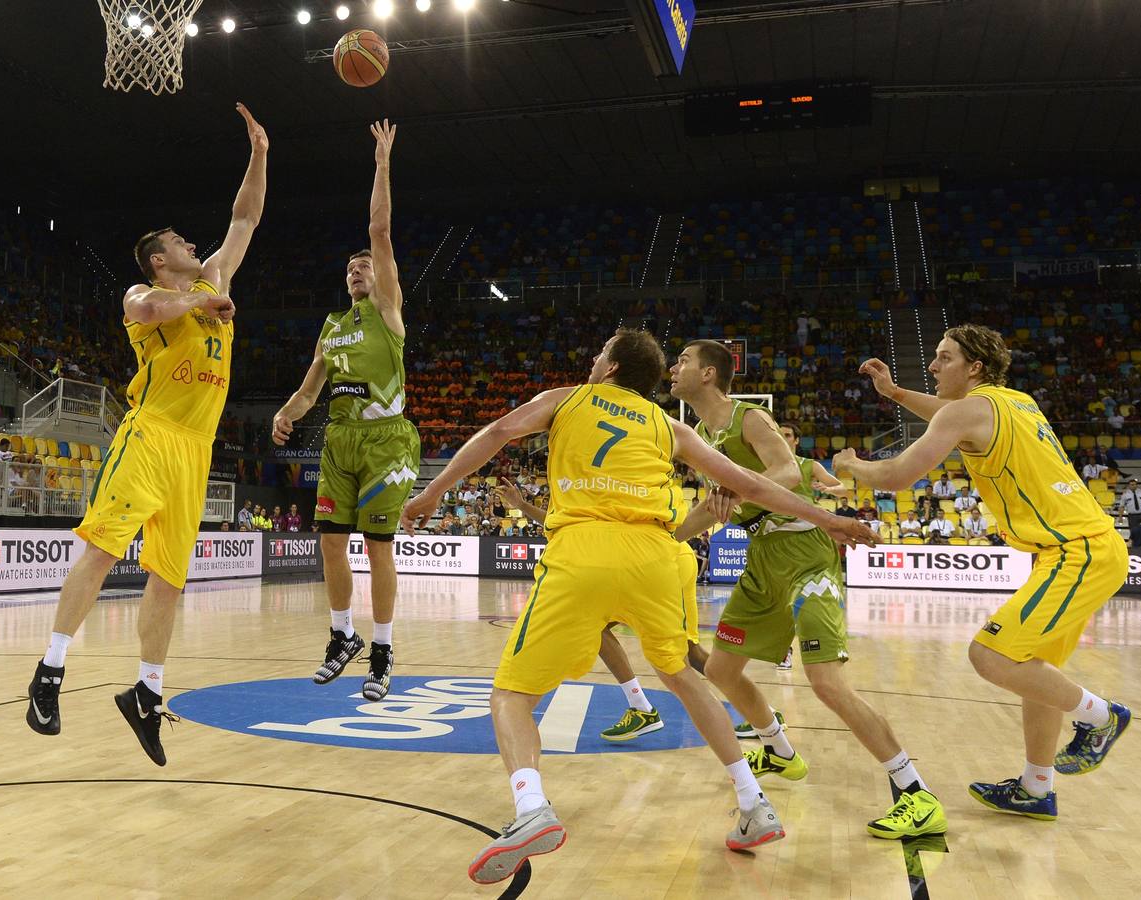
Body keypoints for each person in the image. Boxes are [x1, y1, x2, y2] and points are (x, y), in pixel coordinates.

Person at [400, 329, 877, 884]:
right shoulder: (668, 426)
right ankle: (754, 804)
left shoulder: (567, 398)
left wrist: (433, 490)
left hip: (584, 548)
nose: (593, 358)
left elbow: (500, 432)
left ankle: (531, 809)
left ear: (609, 367)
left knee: (511, 694)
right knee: (681, 674)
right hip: (656, 555)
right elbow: (751, 482)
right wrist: (832, 519)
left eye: (599, 351)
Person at [24, 103, 266, 767]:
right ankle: (49, 673)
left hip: (195, 452)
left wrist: (261, 154)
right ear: (162, 261)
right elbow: (152, 307)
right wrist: (201, 301)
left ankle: (146, 693)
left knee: (168, 578)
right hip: (151, 435)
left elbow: (243, 219)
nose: (195, 246)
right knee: (102, 550)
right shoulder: (147, 296)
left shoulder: (211, 281)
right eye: (182, 245)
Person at [836, 324, 1131, 823]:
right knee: (1033, 671)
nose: (932, 366)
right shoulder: (1014, 401)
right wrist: (894, 393)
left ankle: (1103, 718)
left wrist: (853, 465)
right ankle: (1037, 788)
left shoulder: (970, 410)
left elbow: (898, 476)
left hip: (1076, 551)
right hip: (1081, 549)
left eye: (943, 358)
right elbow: (949, 415)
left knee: (989, 654)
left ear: (974, 367)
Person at [668, 339, 944, 841]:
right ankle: (779, 750)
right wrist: (665, 541)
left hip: (804, 556)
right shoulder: (702, 436)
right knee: (722, 669)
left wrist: (735, 484)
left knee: (825, 683)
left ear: (708, 373)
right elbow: (717, 507)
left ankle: (915, 792)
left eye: (683, 360)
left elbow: (788, 473)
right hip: (762, 561)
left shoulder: (747, 418)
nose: (673, 367)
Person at [271, 120, 419, 703]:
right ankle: (343, 636)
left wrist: (382, 164)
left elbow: (379, 230)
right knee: (331, 541)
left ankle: (382, 649)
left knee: (378, 548)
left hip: (385, 441)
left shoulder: (387, 310)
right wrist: (286, 412)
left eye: (366, 265)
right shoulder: (331, 328)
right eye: (351, 267)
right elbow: (309, 391)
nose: (358, 269)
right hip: (337, 441)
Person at [495, 475, 711, 743]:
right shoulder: (586, 474)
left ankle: (757, 712)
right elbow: (558, 522)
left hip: (658, 559)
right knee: (598, 628)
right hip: (650, 558)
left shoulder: (593, 472)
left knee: (684, 657)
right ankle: (641, 707)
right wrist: (522, 505)